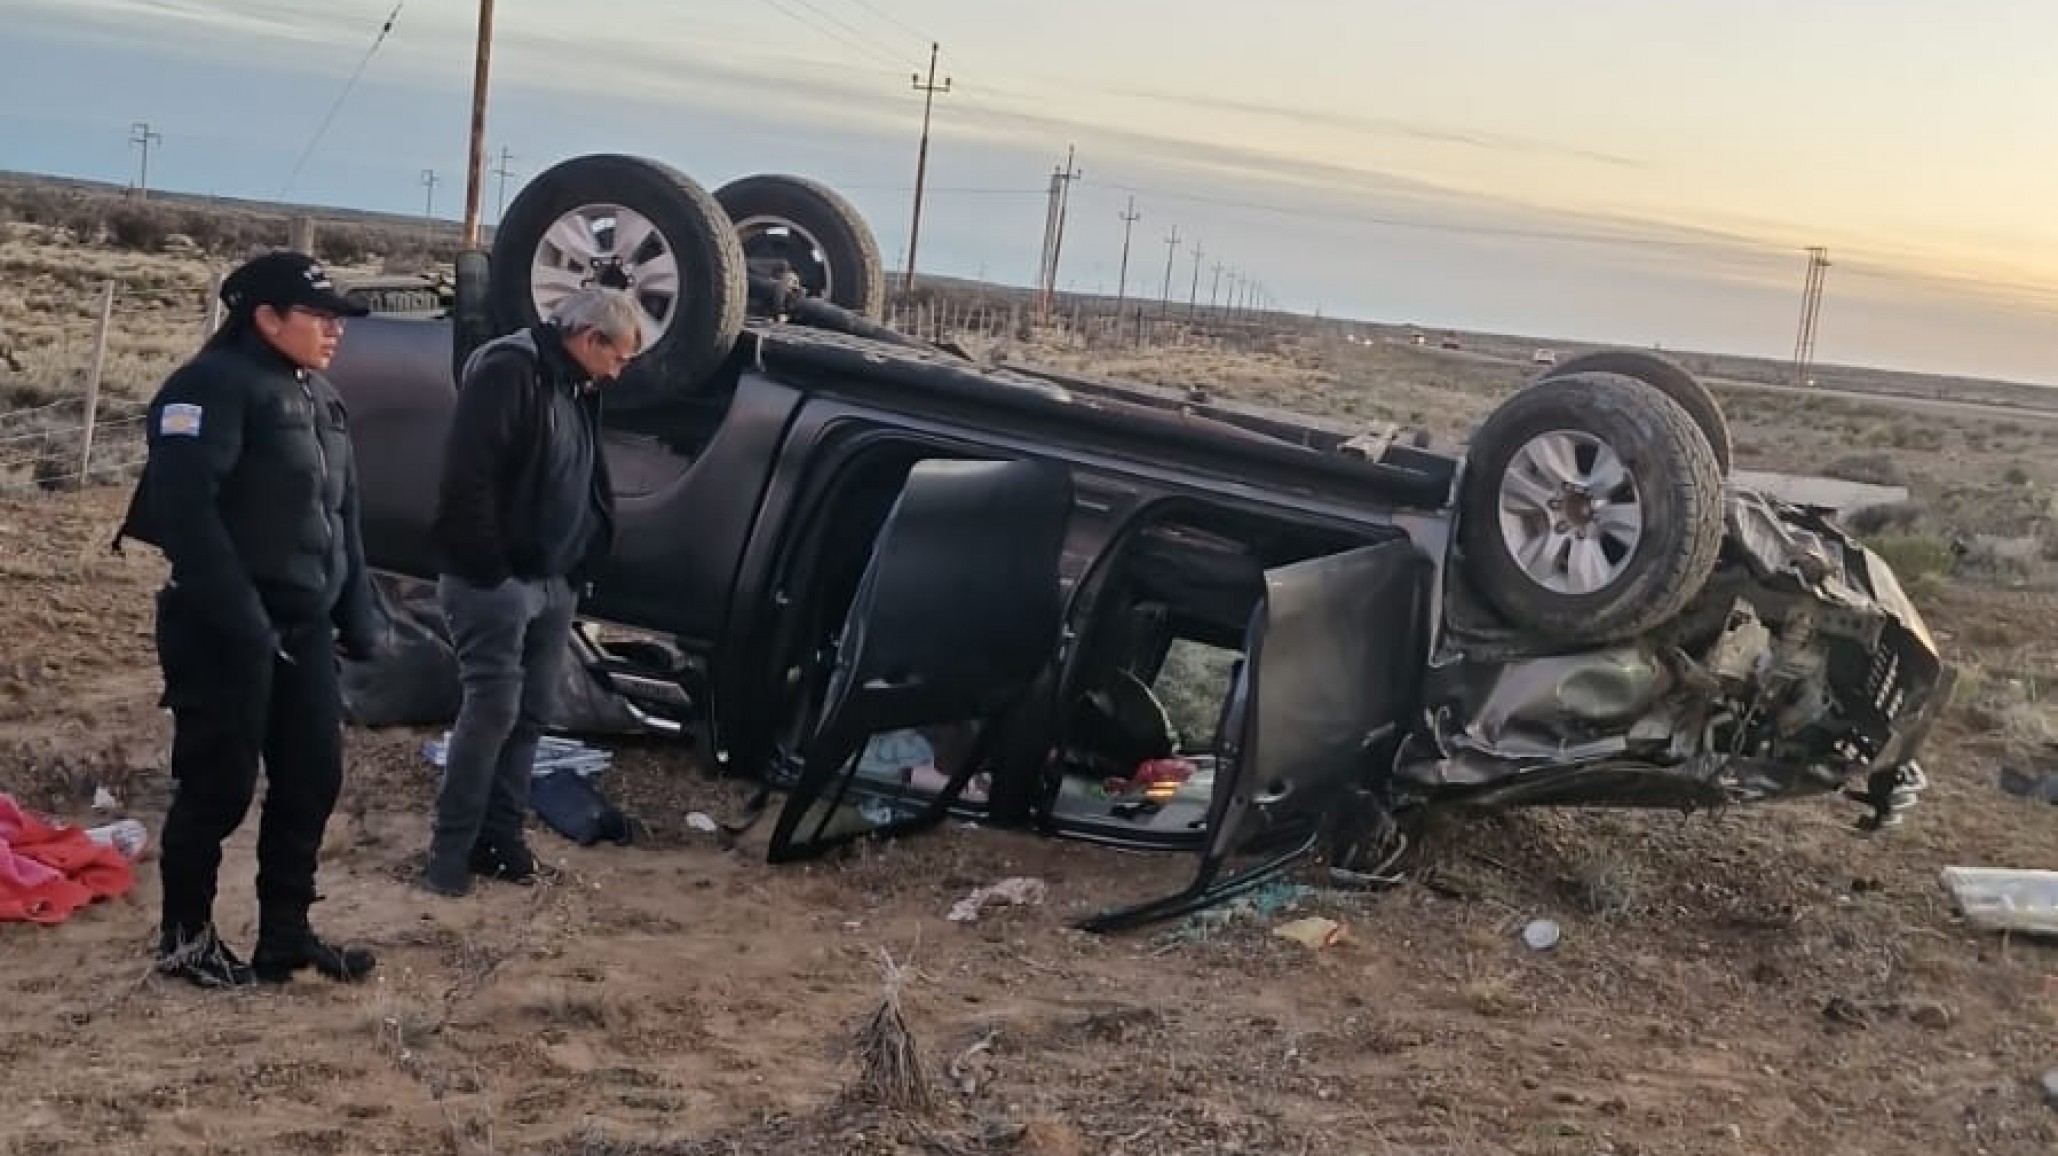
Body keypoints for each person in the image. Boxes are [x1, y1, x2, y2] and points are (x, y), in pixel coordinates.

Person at [113, 250, 389, 988]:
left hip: (301, 629)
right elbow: (187, 515)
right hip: (221, 629)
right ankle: (185, 939)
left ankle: (285, 934)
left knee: (312, 778)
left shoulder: (318, 397)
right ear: (264, 317)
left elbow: (343, 516)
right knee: (219, 787)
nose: (335, 331)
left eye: (339, 319)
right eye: (320, 317)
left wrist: (360, 616)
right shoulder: (207, 388)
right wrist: (242, 619)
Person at [417, 286, 639, 896]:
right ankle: (451, 854)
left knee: (532, 714)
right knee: (491, 712)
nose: (619, 371)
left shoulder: (573, 385)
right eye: (618, 356)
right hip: (499, 583)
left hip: (553, 582)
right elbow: (470, 475)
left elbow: (585, 472)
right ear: (589, 339)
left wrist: (576, 566)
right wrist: (493, 570)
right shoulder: (510, 370)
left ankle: (502, 841)